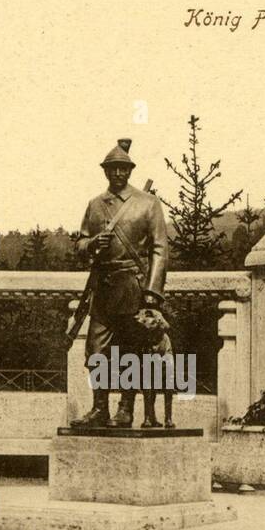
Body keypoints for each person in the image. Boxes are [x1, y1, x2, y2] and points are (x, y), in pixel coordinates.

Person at [69, 138, 169, 428]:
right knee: (96, 351)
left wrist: (152, 294)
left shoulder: (147, 204)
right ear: (105, 171)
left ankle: (126, 408)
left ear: (130, 170)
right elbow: (79, 243)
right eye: (112, 169)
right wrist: (90, 245)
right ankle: (99, 408)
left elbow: (160, 249)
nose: (117, 174)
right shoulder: (95, 205)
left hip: (133, 289)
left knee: (131, 350)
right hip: (103, 288)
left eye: (122, 168)